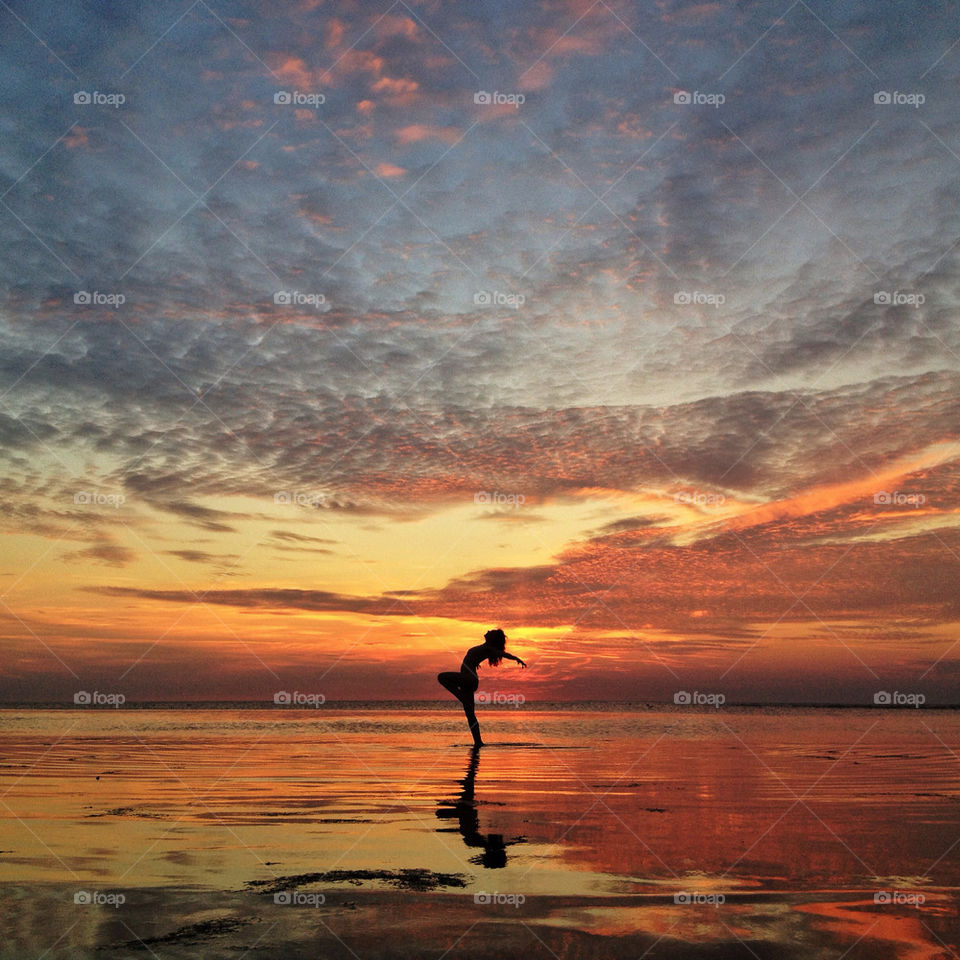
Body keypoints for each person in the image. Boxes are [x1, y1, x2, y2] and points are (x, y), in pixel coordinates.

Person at [437, 628, 526, 747]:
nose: (488, 631)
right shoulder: (484, 648)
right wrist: (474, 662)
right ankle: (478, 742)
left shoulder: (489, 648)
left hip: (468, 678)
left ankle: (461, 696)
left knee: (442, 677)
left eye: (491, 631)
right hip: (468, 680)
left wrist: (516, 659)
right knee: (470, 714)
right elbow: (474, 658)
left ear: (492, 637)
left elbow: (503, 654)